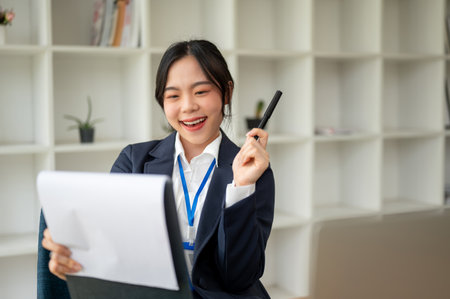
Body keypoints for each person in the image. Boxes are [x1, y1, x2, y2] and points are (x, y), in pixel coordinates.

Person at [38, 39, 275, 299]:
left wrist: (241, 187)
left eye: (201, 92)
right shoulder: (133, 161)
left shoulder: (253, 171)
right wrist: (76, 261)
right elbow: (114, 247)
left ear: (226, 92)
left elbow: (238, 276)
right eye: (173, 95)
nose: (187, 107)